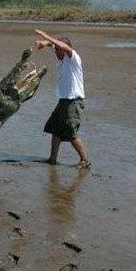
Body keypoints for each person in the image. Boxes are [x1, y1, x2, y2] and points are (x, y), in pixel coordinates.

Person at [33, 29, 91, 169]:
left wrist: (47, 36)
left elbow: (64, 47)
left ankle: (85, 160)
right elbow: (55, 45)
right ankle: (52, 159)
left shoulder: (73, 58)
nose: (56, 52)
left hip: (74, 101)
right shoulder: (62, 55)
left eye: (58, 50)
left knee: (70, 132)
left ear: (64, 51)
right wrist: (44, 42)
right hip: (64, 100)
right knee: (55, 129)